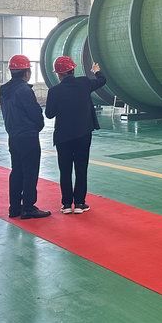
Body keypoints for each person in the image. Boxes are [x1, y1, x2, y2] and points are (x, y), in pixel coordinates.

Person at [44, 56, 107, 214]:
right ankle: (79, 203)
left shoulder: (54, 91)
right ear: (73, 70)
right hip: (83, 134)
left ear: (59, 74)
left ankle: (66, 204)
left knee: (65, 171)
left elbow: (49, 114)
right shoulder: (84, 83)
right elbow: (102, 80)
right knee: (81, 168)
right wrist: (96, 71)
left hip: (63, 137)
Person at [0, 54, 50, 219]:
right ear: (26, 72)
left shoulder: (4, 90)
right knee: (30, 172)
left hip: (13, 136)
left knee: (17, 171)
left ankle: (14, 208)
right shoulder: (24, 90)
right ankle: (28, 207)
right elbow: (35, 113)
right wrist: (38, 126)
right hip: (28, 137)